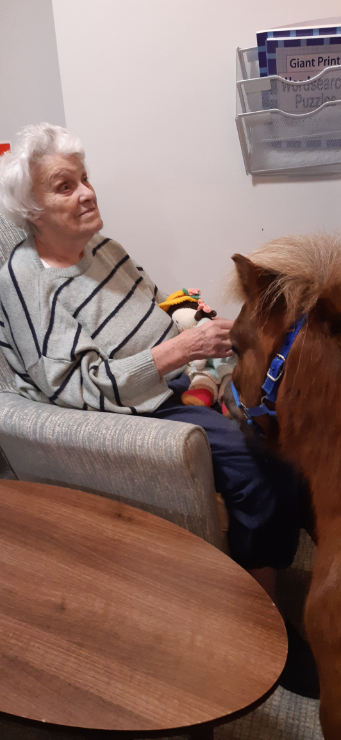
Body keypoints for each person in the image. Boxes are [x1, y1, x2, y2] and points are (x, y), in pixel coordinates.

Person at [0, 124, 300, 604]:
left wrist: (201, 326)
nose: (87, 193)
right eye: (66, 186)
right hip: (139, 407)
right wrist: (184, 350)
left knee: (287, 406)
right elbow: (78, 387)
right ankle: (264, 612)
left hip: (181, 378)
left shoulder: (102, 247)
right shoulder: (28, 281)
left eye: (85, 178)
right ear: (33, 212)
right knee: (263, 470)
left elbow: (160, 305)